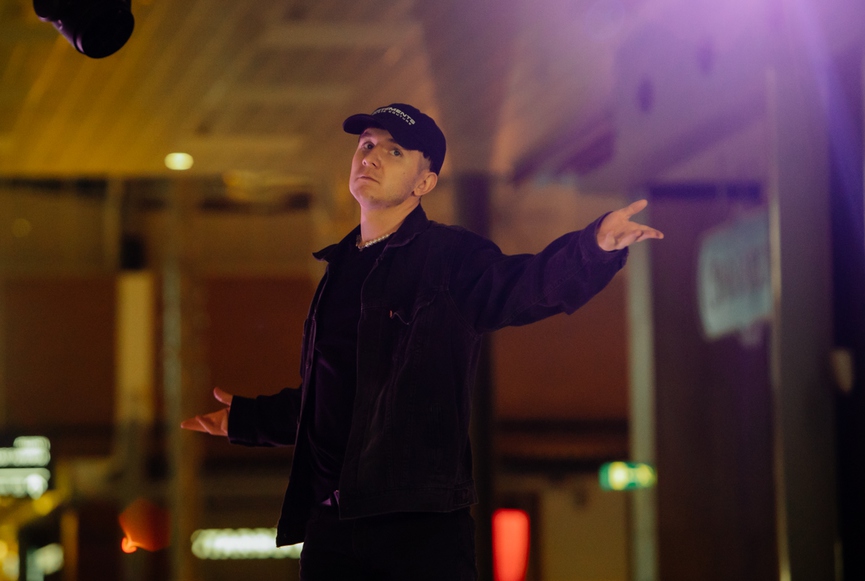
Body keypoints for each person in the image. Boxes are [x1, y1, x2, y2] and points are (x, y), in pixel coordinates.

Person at [182, 103, 663, 580]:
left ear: (424, 183)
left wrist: (593, 247)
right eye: (366, 145)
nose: (371, 156)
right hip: (332, 529)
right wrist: (247, 420)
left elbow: (523, 287)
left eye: (394, 151)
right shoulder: (339, 269)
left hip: (418, 530)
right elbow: (338, 398)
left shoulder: (449, 256)